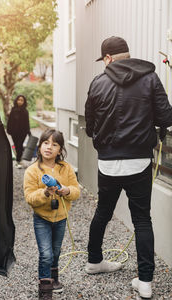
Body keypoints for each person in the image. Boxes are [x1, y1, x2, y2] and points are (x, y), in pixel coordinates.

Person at [84, 36, 172, 299]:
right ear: (128, 54)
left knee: (103, 211)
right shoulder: (151, 78)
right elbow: (166, 117)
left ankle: (94, 261)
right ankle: (145, 282)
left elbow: (90, 127)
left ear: (108, 59)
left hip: (108, 162)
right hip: (139, 161)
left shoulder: (98, 82)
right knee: (142, 219)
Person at [23, 129, 80, 300]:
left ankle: (54, 279)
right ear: (39, 146)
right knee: (46, 253)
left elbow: (76, 191)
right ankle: (45, 288)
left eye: (54, 144)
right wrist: (45, 193)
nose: (49, 147)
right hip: (42, 219)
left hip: (61, 218)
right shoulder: (32, 171)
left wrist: (67, 190)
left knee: (56, 251)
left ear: (60, 150)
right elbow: (30, 198)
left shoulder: (66, 168)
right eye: (45, 143)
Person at [7, 94, 30, 168]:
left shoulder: (25, 111)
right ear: (16, 100)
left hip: (22, 133)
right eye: (18, 100)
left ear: (24, 102)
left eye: (22, 100)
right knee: (17, 146)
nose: (20, 101)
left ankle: (18, 161)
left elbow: (27, 123)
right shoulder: (13, 110)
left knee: (19, 145)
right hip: (14, 132)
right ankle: (20, 159)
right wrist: (8, 130)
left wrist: (29, 132)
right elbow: (10, 121)